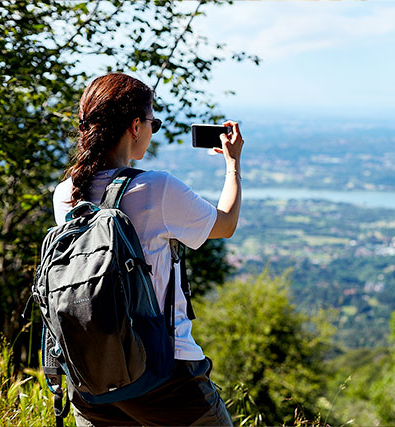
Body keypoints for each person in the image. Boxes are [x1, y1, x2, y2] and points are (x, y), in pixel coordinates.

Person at [52, 73, 242, 426]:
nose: (152, 129)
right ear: (135, 126)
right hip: (162, 372)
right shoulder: (157, 189)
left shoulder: (66, 194)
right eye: (152, 122)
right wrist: (233, 165)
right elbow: (226, 223)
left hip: (90, 374)